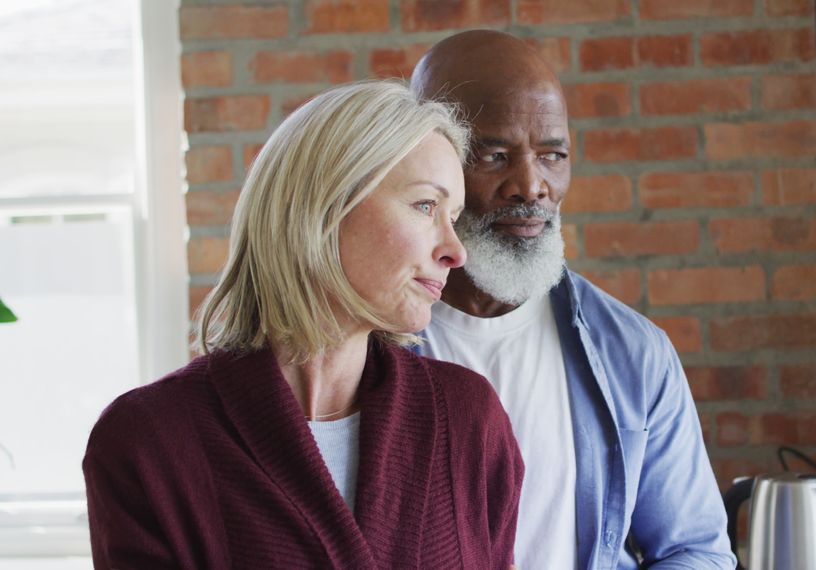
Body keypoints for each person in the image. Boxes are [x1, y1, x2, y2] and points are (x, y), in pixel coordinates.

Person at [82, 80, 523, 569]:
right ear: (324, 205)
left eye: (454, 218)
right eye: (425, 206)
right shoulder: (148, 442)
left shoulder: (468, 419)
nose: (454, 251)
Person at [411, 31, 737, 569]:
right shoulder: (366, 344)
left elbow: (694, 550)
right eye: (495, 155)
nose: (532, 186)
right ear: (432, 163)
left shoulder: (633, 353)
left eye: (552, 155)